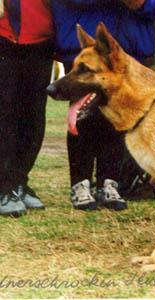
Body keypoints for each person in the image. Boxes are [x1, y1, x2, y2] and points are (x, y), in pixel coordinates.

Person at [51, 0, 155, 211]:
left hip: (130, 49)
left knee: (119, 120)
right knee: (83, 116)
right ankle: (80, 184)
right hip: (87, 43)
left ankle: (110, 183)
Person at [0, 0, 54, 217]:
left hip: (41, 41)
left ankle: (18, 181)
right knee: (5, 115)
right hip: (4, 37)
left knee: (33, 116)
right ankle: (3, 186)